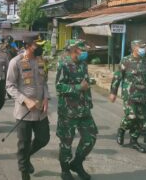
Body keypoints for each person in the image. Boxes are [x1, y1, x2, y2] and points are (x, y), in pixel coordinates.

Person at [6, 34, 50, 180]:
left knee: (43, 139)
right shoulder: (15, 62)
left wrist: (45, 98)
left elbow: (44, 82)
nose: (41, 48)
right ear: (27, 46)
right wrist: (25, 100)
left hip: (40, 111)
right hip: (24, 111)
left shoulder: (41, 61)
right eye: (37, 45)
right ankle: (24, 171)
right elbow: (10, 86)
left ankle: (25, 157)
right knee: (23, 144)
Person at [56, 39, 97, 180]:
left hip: (84, 109)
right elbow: (58, 86)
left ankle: (77, 163)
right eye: (82, 49)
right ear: (74, 50)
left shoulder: (83, 64)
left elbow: (85, 82)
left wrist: (89, 100)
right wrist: (78, 88)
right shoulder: (63, 64)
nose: (85, 52)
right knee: (66, 142)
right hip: (68, 111)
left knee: (90, 137)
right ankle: (65, 170)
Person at [110, 40, 146, 153]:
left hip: (144, 95)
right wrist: (113, 92)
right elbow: (117, 77)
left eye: (145, 47)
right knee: (131, 116)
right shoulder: (126, 60)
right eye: (141, 47)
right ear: (134, 48)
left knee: (142, 119)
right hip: (130, 94)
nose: (144, 49)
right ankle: (121, 130)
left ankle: (134, 141)